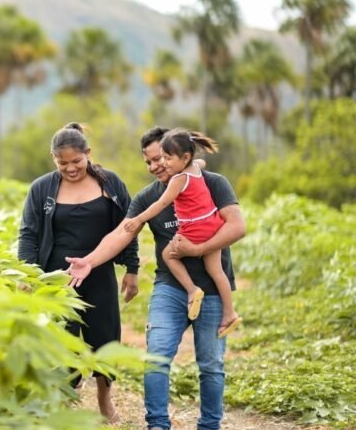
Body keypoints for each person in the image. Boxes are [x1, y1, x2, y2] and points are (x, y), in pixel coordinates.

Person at [65, 126, 246, 430]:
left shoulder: (213, 183)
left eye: (159, 158)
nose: (154, 166)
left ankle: (209, 426)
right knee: (156, 359)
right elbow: (121, 233)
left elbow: (237, 227)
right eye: (148, 162)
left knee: (211, 366)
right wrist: (90, 262)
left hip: (213, 288)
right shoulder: (148, 197)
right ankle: (158, 425)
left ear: (177, 156)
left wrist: (198, 248)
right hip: (170, 288)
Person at [17, 122, 140, 423]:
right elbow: (29, 234)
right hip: (56, 277)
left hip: (99, 272)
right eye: (63, 163)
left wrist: (132, 268)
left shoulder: (110, 183)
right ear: (53, 158)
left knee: (104, 334)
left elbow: (129, 226)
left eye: (77, 161)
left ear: (89, 153)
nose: (71, 168)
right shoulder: (42, 188)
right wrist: (28, 274)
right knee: (61, 336)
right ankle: (66, 395)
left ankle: (104, 396)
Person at [122, 129, 242, 338]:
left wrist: (139, 219)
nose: (163, 165)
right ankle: (229, 313)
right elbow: (200, 163)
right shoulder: (195, 167)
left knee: (169, 255)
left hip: (194, 230)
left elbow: (162, 203)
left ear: (184, 157)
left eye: (165, 158)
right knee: (217, 272)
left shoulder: (178, 180)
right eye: (151, 162)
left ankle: (191, 290)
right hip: (211, 226)